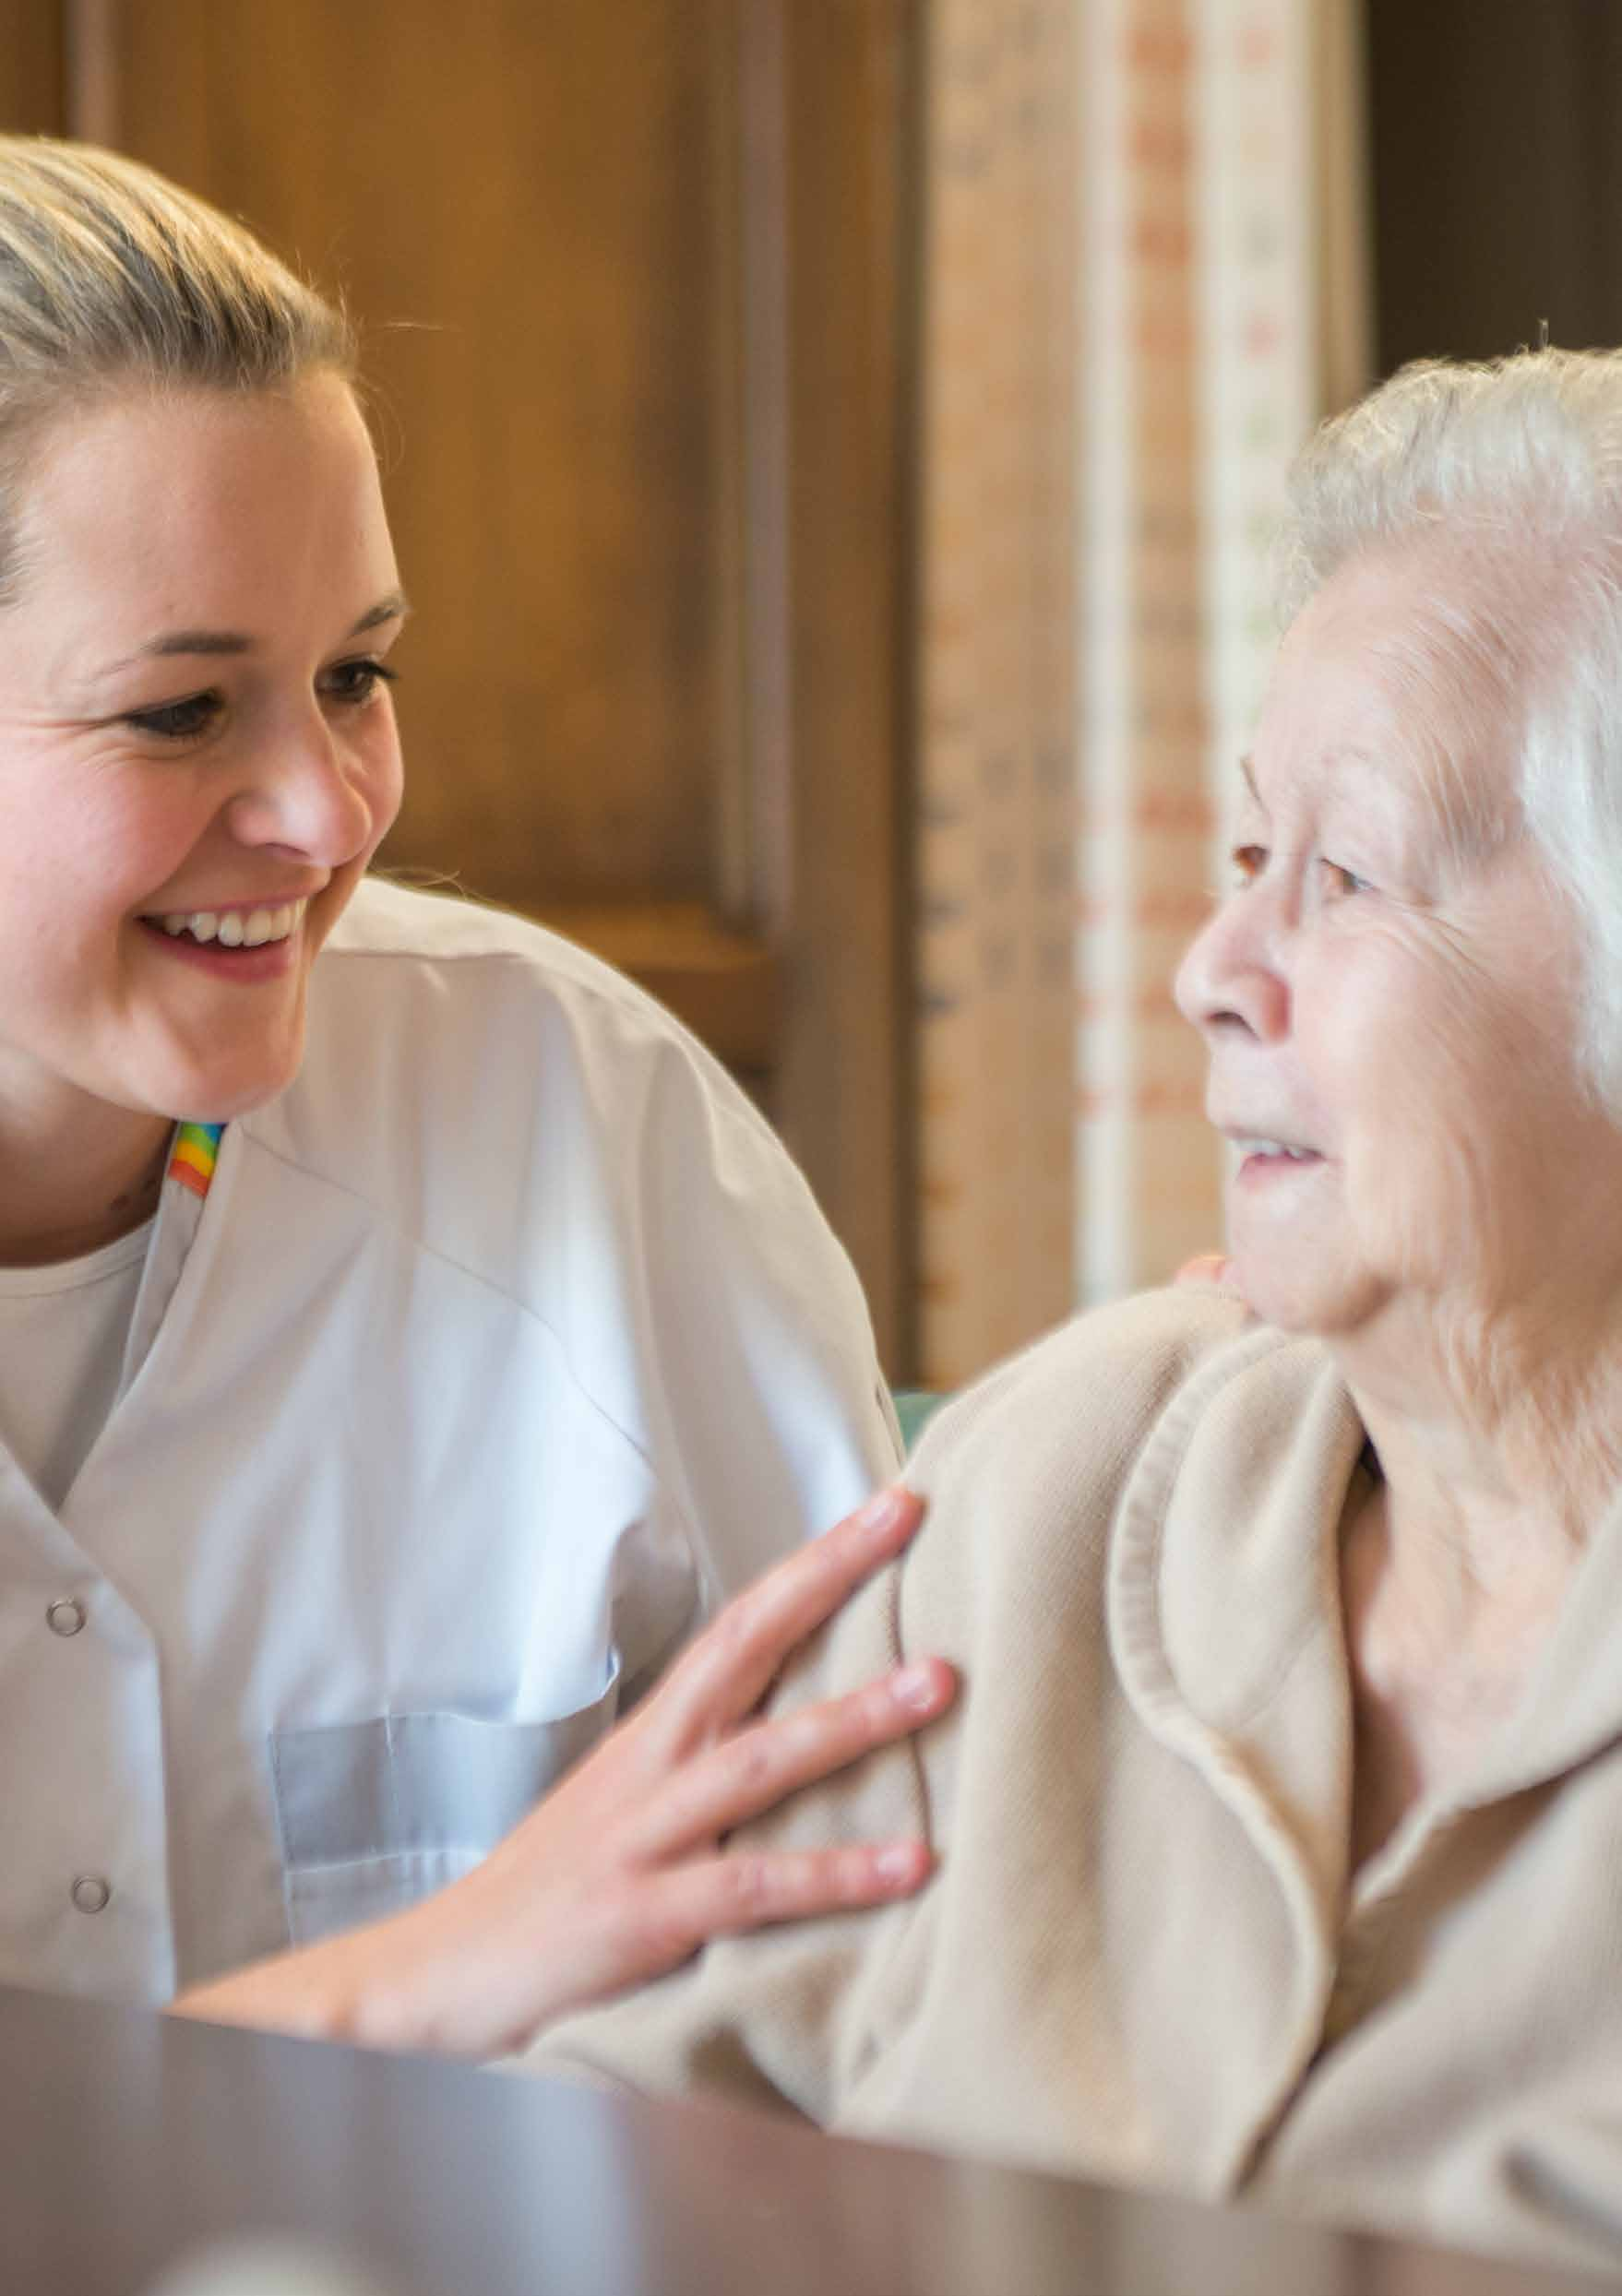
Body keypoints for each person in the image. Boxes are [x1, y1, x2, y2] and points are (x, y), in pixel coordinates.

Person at [527, 347, 1622, 2276]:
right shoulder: (1055, 1482)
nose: (1214, 966)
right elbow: (587, 2150)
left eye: (1344, 873)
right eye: (1243, 854)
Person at [0, 136, 955, 2052]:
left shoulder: (588, 1124)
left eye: (356, 674)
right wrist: (425, 1978)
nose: (324, 812)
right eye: (182, 708)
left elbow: (903, 1932)